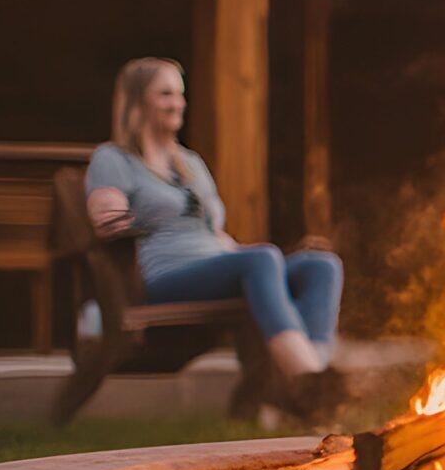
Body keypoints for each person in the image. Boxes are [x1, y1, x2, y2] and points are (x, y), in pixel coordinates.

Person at [85, 57, 346, 420]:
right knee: (262, 257)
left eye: (180, 93)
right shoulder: (114, 159)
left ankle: (312, 383)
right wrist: (113, 210)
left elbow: (214, 232)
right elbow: (106, 219)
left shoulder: (189, 163)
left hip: (213, 267)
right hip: (163, 276)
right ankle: (305, 382)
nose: (178, 102)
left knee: (320, 264)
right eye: (165, 94)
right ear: (136, 101)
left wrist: (245, 257)